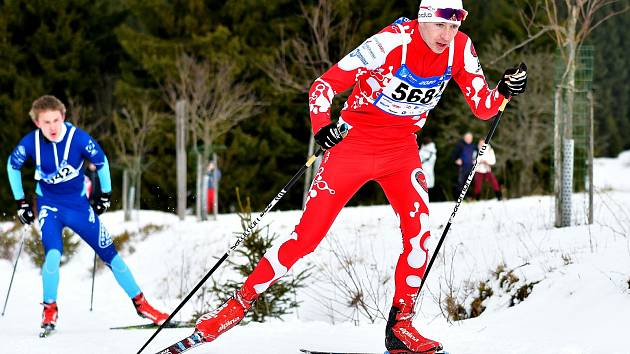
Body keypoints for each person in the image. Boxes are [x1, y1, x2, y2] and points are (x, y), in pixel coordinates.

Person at [194, 0, 527, 353]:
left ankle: (400, 327)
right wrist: (323, 127)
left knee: (420, 235)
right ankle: (233, 309)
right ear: (423, 19)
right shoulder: (391, 42)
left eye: (455, 25)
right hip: (352, 146)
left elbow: (482, 106)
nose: (448, 34)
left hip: (401, 151)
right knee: (306, 238)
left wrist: (503, 90)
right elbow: (322, 87)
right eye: (440, 25)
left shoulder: (461, 49)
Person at [6, 95, 169, 331]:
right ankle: (49, 310)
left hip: (79, 208)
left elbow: (101, 162)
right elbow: (12, 166)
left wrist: (105, 195)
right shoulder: (31, 142)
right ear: (37, 123)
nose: (52, 127)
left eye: (55, 120)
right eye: (46, 122)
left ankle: (143, 305)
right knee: (52, 255)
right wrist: (21, 202)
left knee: (111, 255)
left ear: (63, 117)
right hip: (49, 206)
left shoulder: (79, 139)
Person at [451, 132, 476, 198]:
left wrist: (475, 160)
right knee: (460, 183)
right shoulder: (460, 145)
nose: (468, 139)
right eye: (467, 138)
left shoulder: (473, 146)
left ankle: (468, 197)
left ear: (472, 139)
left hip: (471, 167)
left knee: (469, 183)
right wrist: (456, 160)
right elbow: (453, 154)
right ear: (464, 138)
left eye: (470, 138)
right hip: (462, 167)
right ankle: (458, 198)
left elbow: (476, 154)